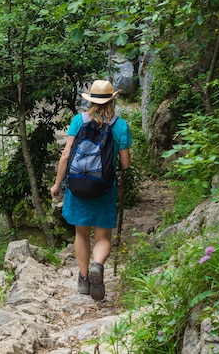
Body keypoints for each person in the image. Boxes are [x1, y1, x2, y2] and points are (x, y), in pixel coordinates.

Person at [50, 80, 132, 301]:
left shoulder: (79, 120)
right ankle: (98, 266)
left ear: (91, 100)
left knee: (81, 233)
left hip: (78, 187)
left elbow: (66, 156)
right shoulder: (121, 126)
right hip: (104, 187)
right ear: (112, 99)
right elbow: (125, 164)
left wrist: (57, 184)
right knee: (103, 236)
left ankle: (84, 280)